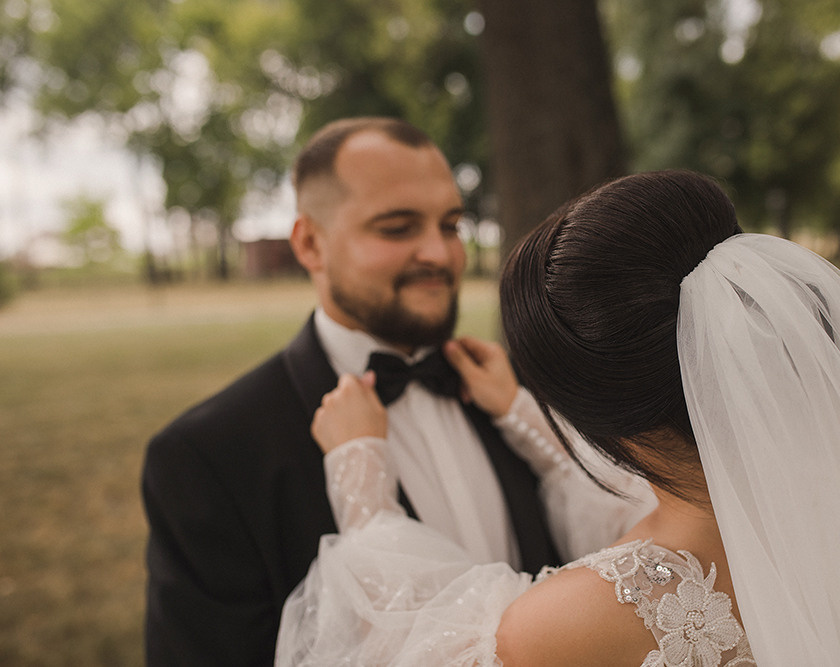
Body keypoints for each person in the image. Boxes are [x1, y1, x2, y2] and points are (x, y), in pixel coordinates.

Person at [276, 170, 840, 666]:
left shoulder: (570, 621)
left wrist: (361, 481)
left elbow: (397, 643)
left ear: (601, 420)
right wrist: (525, 418)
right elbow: (638, 504)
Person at [141, 117, 563, 666]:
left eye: (451, 225)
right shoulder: (209, 455)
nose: (440, 254)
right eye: (398, 228)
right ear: (310, 244)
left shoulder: (521, 393)